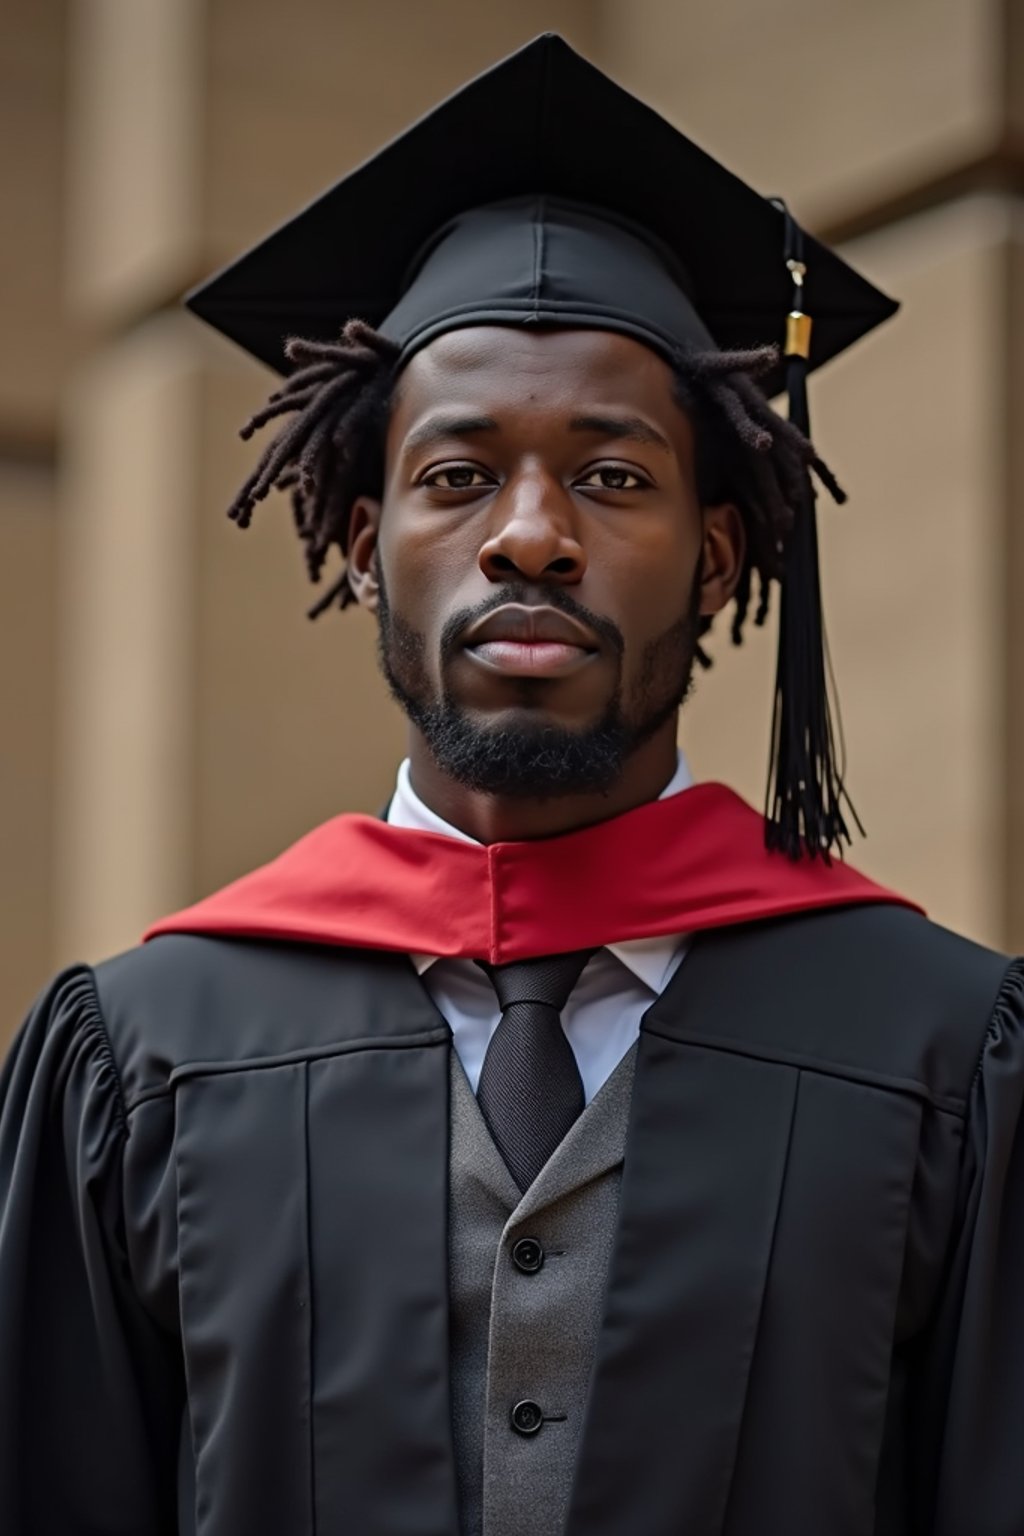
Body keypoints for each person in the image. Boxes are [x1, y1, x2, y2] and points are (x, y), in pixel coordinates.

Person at [1, 33, 1021, 1536]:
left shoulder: (939, 1051)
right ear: (362, 552)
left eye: (613, 477)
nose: (531, 536)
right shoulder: (144, 1057)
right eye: (457, 473)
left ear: (722, 557)